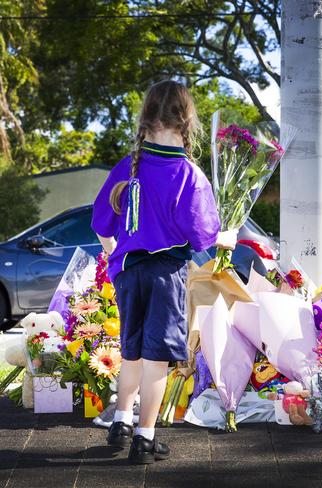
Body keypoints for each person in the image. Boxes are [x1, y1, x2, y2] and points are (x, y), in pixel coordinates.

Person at [91, 80, 237, 464]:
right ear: (187, 120)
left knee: (132, 351)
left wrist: (115, 259)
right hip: (165, 274)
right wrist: (227, 237)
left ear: (146, 119)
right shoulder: (189, 174)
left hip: (128, 272)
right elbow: (203, 233)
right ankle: (144, 437)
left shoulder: (128, 166)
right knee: (156, 358)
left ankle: (121, 422)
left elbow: (101, 224)